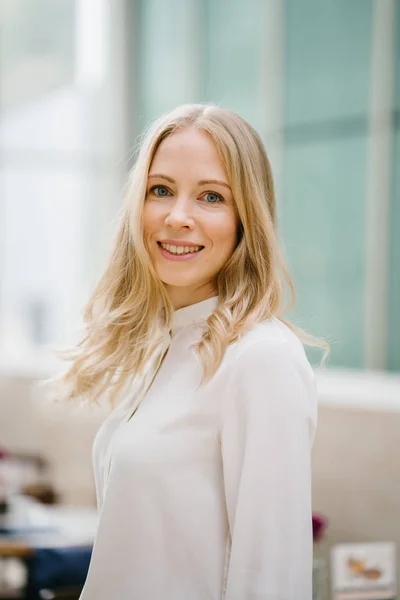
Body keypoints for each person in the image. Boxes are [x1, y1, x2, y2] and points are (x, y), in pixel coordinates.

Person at [59, 104, 326, 599]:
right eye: (160, 190)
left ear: (247, 217)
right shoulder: (165, 344)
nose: (178, 217)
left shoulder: (260, 359)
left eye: (210, 197)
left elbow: (271, 578)